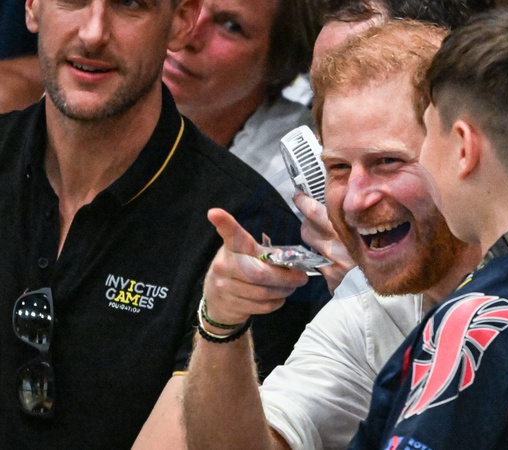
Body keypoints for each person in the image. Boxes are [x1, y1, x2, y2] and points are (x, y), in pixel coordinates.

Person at [185, 13, 508, 450]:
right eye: (337, 168)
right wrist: (221, 322)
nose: (355, 200)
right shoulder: (361, 314)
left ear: (460, 150)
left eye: (387, 162)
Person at [0, 0, 326, 448]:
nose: (93, 33)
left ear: (180, 21)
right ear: (33, 6)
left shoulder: (245, 228)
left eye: (130, 4)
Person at [162, 0, 320, 214]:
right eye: (186, 4)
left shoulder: (296, 181)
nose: (187, 35)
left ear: (278, 63)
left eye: (230, 26)